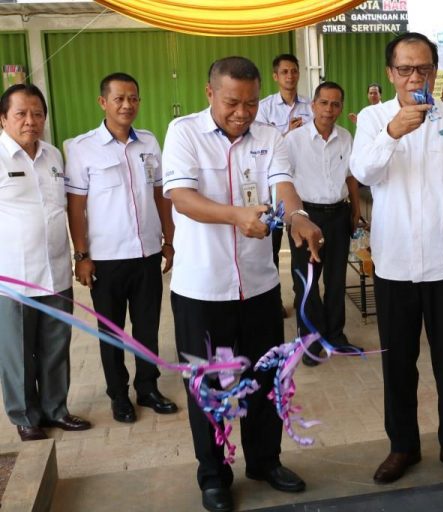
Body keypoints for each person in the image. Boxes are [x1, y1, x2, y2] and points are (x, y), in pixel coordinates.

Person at [163, 56, 321, 512]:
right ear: (209, 92)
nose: (242, 112)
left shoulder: (270, 136)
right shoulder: (184, 133)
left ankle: (265, 461)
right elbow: (182, 197)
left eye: (251, 103)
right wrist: (236, 216)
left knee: (266, 378)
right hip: (201, 289)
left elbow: (283, 186)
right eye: (233, 102)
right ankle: (213, 475)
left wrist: (299, 217)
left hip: (258, 286)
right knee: (208, 388)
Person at [351, 32, 443, 484]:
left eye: (423, 68)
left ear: (435, 70)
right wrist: (393, 132)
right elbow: (364, 172)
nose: (415, 77)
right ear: (390, 73)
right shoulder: (373, 118)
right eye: (405, 69)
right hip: (395, 262)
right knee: (399, 362)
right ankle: (403, 446)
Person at [66, 73, 178, 423]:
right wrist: (82, 256)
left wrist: (170, 240)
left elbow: (161, 196)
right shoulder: (83, 148)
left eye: (133, 98)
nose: (127, 105)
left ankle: (148, 388)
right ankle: (119, 395)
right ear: (103, 102)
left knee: (147, 328)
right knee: (112, 332)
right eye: (119, 99)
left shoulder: (149, 142)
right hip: (106, 260)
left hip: (146, 254)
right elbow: (76, 207)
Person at [0, 84, 92, 441]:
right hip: (12, 275)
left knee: (55, 346)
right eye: (21, 114)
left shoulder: (53, 155)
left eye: (37, 113)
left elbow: (65, 209)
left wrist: (79, 255)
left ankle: (56, 409)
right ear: (4, 118)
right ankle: (25, 416)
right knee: (18, 352)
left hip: (55, 271)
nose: (30, 121)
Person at [284, 82, 363, 366]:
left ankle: (335, 336)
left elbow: (351, 177)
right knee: (306, 282)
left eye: (336, 104)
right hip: (307, 217)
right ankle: (310, 340)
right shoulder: (294, 140)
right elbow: (283, 181)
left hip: (339, 215)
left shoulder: (345, 137)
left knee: (336, 279)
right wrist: (294, 218)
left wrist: (355, 210)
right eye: (324, 103)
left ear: (341, 107)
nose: (329, 110)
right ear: (313, 105)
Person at [256, 53, 314, 317]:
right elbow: (259, 145)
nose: (290, 76)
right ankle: (274, 300)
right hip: (273, 190)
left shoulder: (311, 106)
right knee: (271, 248)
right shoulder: (264, 108)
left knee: (300, 248)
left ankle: (301, 298)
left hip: (302, 186)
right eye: (284, 72)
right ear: (275, 76)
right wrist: (287, 135)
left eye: (294, 71)